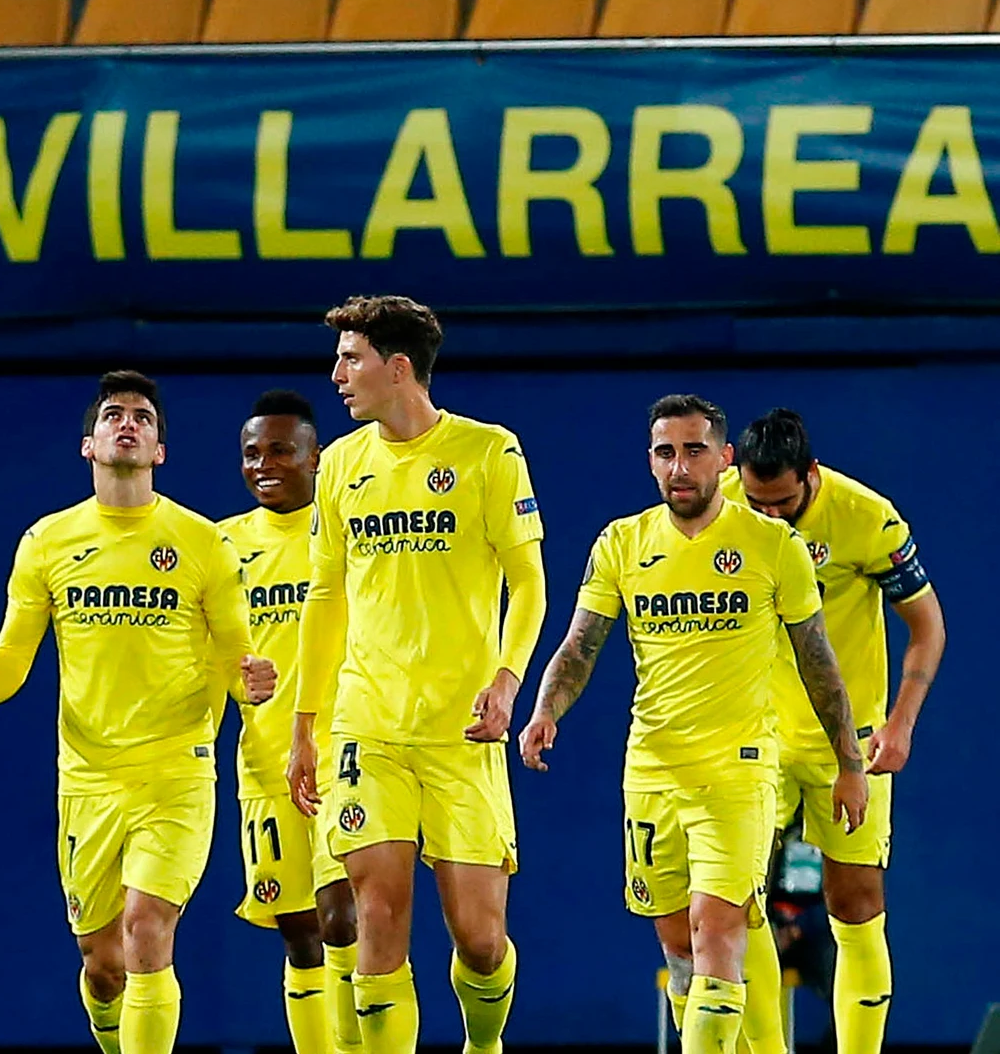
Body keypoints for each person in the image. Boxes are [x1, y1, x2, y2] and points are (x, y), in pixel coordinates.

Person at [519, 394, 868, 1054]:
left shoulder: (773, 545)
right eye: (665, 452)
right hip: (652, 769)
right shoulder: (622, 543)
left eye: (694, 449)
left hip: (738, 769)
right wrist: (545, 708)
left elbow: (819, 662)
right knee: (679, 942)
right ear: (650, 461)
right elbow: (581, 644)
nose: (680, 466)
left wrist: (850, 764)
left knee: (718, 930)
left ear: (724, 459)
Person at [0, 370, 275, 1054]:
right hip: (89, 779)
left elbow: (238, 654)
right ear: (87, 445)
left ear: (159, 451)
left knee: (147, 927)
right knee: (103, 963)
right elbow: (12, 655)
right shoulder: (47, 542)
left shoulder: (201, 542)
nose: (128, 423)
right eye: (114, 415)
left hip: (176, 769)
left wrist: (253, 681)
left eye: (143, 418)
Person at [286, 295, 546, 1054]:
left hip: (461, 727)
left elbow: (528, 582)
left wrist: (507, 679)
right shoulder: (338, 465)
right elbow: (325, 598)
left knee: (480, 938)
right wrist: (306, 726)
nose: (337, 373)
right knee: (378, 911)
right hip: (369, 724)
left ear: (398, 368)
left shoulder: (489, 453)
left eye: (352, 358)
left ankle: (484, 1042)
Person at [727, 408, 945, 1054]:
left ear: (811, 477)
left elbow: (928, 626)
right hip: (755, 737)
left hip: (846, 743)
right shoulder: (721, 514)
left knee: (853, 902)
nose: (769, 517)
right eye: (756, 501)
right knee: (734, 901)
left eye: (784, 503)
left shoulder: (866, 517)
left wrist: (900, 723)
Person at [218, 390, 359, 1053]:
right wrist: (230, 677)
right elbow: (193, 653)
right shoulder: (219, 546)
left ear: (316, 457)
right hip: (265, 764)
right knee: (300, 928)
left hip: (348, 753)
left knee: (343, 916)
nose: (264, 463)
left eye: (279, 449)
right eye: (252, 453)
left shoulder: (346, 533)